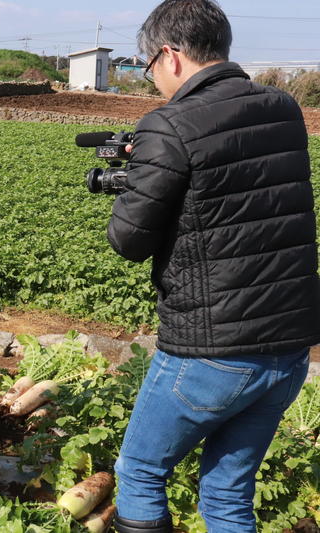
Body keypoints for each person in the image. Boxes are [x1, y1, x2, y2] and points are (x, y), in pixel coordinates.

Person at [106, 1, 320, 532]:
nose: (151, 76)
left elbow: (128, 239)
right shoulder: (283, 107)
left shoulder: (169, 123)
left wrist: (140, 174)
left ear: (170, 55)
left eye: (147, 64)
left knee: (139, 470)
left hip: (213, 348)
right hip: (289, 345)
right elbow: (235, 189)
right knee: (227, 490)